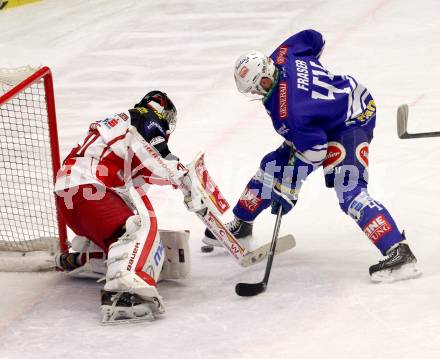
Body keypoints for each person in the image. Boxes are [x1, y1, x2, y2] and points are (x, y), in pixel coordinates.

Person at [203, 29, 421, 282]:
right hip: (326, 114)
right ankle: (242, 224)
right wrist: (312, 82)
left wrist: (290, 187)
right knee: (272, 168)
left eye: (256, 89)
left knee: (349, 188)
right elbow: (313, 38)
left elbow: (316, 151)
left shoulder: (291, 112)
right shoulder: (283, 56)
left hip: (351, 120)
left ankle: (399, 251)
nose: (257, 95)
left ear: (264, 79)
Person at [54, 91, 199, 323]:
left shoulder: (123, 130)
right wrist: (186, 179)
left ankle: (83, 258)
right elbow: (161, 157)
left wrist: (179, 183)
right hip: (89, 190)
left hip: (69, 197)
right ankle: (122, 295)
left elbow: (144, 176)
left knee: (120, 234)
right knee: (137, 226)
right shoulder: (146, 116)